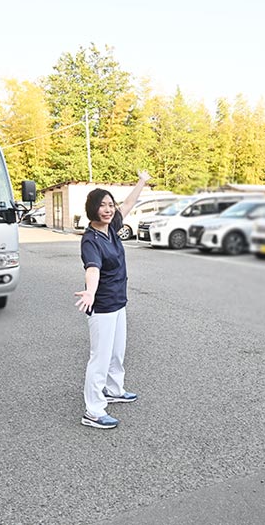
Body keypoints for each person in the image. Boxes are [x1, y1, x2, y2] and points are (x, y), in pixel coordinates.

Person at [74, 170, 151, 429]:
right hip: (103, 305)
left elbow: (128, 204)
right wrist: (90, 292)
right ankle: (93, 411)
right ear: (92, 209)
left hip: (119, 302)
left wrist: (142, 181)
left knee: (117, 353)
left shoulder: (111, 227)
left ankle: (113, 389)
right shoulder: (90, 240)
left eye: (110, 205)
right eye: (102, 206)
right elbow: (92, 268)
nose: (107, 210)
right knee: (100, 357)